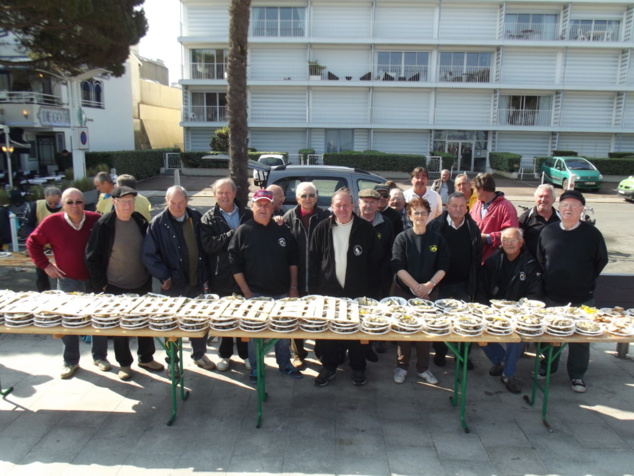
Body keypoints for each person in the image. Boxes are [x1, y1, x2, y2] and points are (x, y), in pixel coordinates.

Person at [26, 188, 110, 379]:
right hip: (67, 281)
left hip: (94, 280)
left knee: (99, 319)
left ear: (84, 203)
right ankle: (70, 361)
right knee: (68, 322)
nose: (74, 206)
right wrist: (45, 265)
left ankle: (100, 357)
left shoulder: (95, 219)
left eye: (78, 202)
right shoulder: (52, 222)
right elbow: (32, 243)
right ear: (62, 204)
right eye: (69, 202)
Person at [85, 186, 164, 380]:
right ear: (114, 202)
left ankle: (146, 358)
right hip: (115, 285)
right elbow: (91, 257)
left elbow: (151, 250)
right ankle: (125, 364)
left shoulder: (139, 221)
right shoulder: (104, 225)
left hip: (141, 283)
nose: (128, 205)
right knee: (121, 328)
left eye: (131, 201)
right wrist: (103, 285)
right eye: (124, 201)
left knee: (144, 324)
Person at [537, 190, 608, 393]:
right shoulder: (548, 231)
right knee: (551, 335)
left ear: (582, 210)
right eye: (565, 205)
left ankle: (577, 375)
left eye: (574, 205)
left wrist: (583, 278)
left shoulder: (592, 234)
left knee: (580, 339)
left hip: (581, 297)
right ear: (558, 208)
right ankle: (547, 368)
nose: (568, 209)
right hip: (553, 295)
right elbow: (541, 259)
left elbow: (601, 261)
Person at [227, 189, 302, 380]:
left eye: (267, 205)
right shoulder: (243, 232)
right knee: (255, 335)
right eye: (259, 204)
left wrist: (293, 288)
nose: (263, 208)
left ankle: (284, 364)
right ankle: (256, 367)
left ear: (272, 207)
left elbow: (293, 260)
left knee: (283, 333)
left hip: (282, 292)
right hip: (255, 294)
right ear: (252, 206)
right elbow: (234, 264)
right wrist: (246, 292)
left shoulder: (282, 229)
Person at [142, 185, 215, 375]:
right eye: (173, 203)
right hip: (173, 284)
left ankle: (199, 355)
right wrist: (164, 276)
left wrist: (207, 276)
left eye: (181, 202)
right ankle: (172, 360)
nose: (177, 206)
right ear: (167, 202)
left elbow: (206, 248)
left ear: (187, 201)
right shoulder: (158, 224)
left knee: (198, 322)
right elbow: (148, 255)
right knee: (170, 325)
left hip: (196, 282)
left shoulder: (196, 218)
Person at [309, 190, 379, 386]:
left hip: (358, 293)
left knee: (357, 333)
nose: (342, 209)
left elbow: (375, 264)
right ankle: (329, 367)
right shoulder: (322, 229)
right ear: (332, 207)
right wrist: (313, 294)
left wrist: (373, 296)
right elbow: (313, 262)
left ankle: (358, 368)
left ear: (353, 206)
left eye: (346, 205)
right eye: (338, 205)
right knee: (331, 333)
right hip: (329, 293)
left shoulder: (365, 229)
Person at [476, 227, 543, 394]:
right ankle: (500, 360)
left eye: (513, 240)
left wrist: (520, 310)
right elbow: (481, 287)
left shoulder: (530, 264)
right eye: (506, 240)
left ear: (521, 242)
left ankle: (508, 374)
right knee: (476, 330)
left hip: (518, 312)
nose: (509, 244)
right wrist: (483, 309)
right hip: (494, 309)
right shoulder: (493, 260)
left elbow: (534, 294)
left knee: (516, 339)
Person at [391, 197, 449, 385]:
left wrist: (428, 286)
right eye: (416, 212)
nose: (420, 216)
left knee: (425, 331)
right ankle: (402, 366)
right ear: (410, 215)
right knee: (405, 330)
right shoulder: (402, 238)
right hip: (405, 293)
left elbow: (443, 266)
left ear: (429, 214)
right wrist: (416, 287)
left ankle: (423, 368)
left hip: (429, 293)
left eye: (423, 212)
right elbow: (398, 266)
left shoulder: (437, 239)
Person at [200, 177, 253, 372]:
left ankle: (246, 355)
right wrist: (232, 234)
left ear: (235, 193)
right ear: (215, 195)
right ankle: (224, 355)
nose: (224, 196)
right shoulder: (207, 218)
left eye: (228, 192)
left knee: (245, 318)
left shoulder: (247, 214)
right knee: (224, 319)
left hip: (246, 276)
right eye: (220, 192)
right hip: (220, 276)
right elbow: (208, 245)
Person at [427, 192, 482, 368]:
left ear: (466, 207)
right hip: (440, 284)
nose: (458, 209)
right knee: (441, 321)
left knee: (463, 322)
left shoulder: (473, 228)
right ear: (447, 207)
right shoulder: (435, 226)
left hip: (463, 284)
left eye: (461, 206)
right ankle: (440, 352)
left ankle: (463, 356)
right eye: (454, 206)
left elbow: (477, 257)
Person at [283, 182, 330, 368]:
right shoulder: (288, 218)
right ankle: (298, 353)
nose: (308, 199)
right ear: (297, 198)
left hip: (320, 278)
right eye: (304, 195)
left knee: (320, 317)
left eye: (311, 195)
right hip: (296, 276)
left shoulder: (326, 217)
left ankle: (320, 351)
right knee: (296, 316)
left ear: (317, 197)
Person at [469, 173, 518, 263]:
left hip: (495, 263)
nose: (474, 192)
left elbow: (512, 235)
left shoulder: (506, 207)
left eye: (475, 189)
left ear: (482, 189)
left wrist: (488, 238)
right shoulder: (476, 206)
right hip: (475, 261)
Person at [23, 186, 62, 292]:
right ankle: (43, 294)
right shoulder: (37, 205)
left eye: (56, 203)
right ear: (45, 198)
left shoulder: (66, 205)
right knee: (41, 273)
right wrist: (36, 237)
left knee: (62, 273)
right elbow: (29, 225)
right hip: (43, 244)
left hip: (60, 245)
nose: (53, 205)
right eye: (50, 203)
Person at [518, 184, 560, 258]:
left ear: (554, 199)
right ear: (535, 198)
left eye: (547, 196)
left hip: (555, 262)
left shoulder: (562, 218)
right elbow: (517, 240)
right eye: (540, 196)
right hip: (532, 263)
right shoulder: (526, 217)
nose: (543, 200)